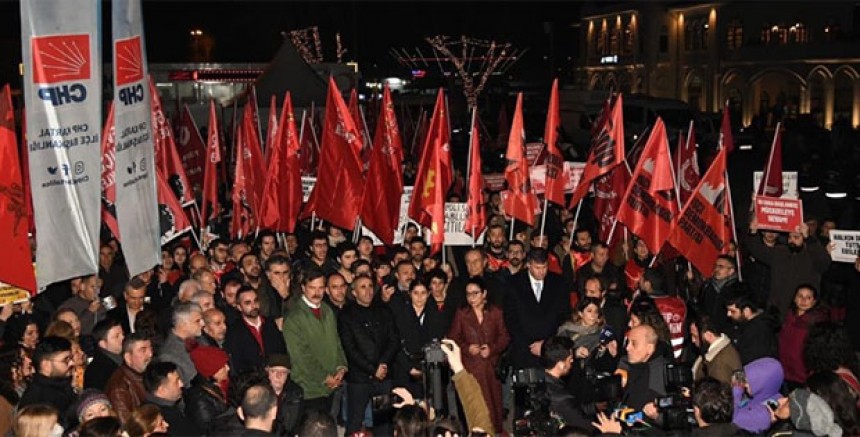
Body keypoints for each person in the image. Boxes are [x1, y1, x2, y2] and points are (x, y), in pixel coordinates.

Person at [338, 273, 399, 435]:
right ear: (354, 292)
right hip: (359, 379)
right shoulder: (346, 315)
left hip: (383, 377)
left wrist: (383, 365)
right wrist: (373, 370)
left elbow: (394, 340)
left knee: (384, 423)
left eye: (370, 286)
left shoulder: (384, 310)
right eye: (363, 287)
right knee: (355, 424)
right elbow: (350, 348)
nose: (368, 291)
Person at [447, 277, 510, 431]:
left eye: (475, 293)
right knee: (474, 406)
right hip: (471, 369)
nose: (472, 298)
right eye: (468, 294)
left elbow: (505, 337)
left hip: (491, 369)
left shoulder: (496, 312)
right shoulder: (462, 314)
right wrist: (467, 348)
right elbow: (452, 338)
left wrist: (492, 348)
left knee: (493, 409)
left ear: (484, 294)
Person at [282, 268, 347, 414]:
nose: (317, 292)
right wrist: (324, 377)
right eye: (312, 288)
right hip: (309, 389)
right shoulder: (294, 317)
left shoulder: (327, 310)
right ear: (303, 288)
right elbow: (300, 356)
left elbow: (337, 342)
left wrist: (341, 367)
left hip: (331, 386)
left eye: (321, 287)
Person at [745, 220, 831, 320]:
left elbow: (824, 262)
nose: (791, 241)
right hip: (777, 310)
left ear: (804, 239)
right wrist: (753, 232)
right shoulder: (780, 252)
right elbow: (758, 251)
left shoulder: (812, 255)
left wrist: (810, 239)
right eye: (790, 237)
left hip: (803, 311)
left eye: (796, 237)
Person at [505, 248, 570, 371]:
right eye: (537, 268)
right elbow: (511, 319)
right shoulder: (513, 283)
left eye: (544, 267)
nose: (542, 272)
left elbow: (564, 316)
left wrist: (546, 345)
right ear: (528, 264)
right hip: (524, 351)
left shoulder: (559, 282)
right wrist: (529, 345)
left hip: (552, 351)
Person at [392, 278, 447, 396]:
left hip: (430, 369)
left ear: (428, 294)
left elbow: (439, 342)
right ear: (410, 294)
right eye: (416, 293)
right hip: (405, 369)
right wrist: (410, 368)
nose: (419, 297)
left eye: (423, 293)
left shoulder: (437, 316)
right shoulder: (400, 316)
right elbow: (395, 345)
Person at [224, 286, 287, 374]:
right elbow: (237, 364)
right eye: (248, 303)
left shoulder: (270, 324)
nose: (254, 306)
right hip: (251, 380)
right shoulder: (234, 332)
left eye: (256, 301)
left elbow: (281, 350)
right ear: (239, 307)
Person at [18, 336, 77, 427]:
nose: (72, 363)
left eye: (71, 358)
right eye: (66, 360)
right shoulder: (39, 400)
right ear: (46, 365)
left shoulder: (60, 386)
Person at [540, 336, 595, 433]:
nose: (572, 361)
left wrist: (594, 407)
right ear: (561, 364)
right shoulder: (561, 397)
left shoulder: (538, 379)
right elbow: (583, 425)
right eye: (570, 359)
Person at [617, 325, 670, 412]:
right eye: (628, 342)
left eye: (634, 344)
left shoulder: (662, 373)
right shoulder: (627, 365)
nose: (627, 348)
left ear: (649, 348)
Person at [105, 333, 153, 423]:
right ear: (128, 357)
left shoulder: (148, 373)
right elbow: (128, 427)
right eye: (143, 350)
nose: (150, 354)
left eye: (151, 349)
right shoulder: (119, 390)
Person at [143, 361, 201, 435]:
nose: (181, 384)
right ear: (162, 390)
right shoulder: (163, 419)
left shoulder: (150, 408)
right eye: (176, 382)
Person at [186, 344, 233, 432]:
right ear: (211, 373)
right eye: (223, 367)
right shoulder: (199, 399)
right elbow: (208, 429)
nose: (228, 368)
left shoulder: (225, 384)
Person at [731, 357, 784, 433]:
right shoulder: (760, 394)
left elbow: (731, 418)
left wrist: (736, 388)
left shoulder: (769, 411)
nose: (744, 385)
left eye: (747, 381)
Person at [693, 255, 743, 334]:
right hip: (710, 332)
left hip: (730, 332)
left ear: (731, 271)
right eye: (715, 266)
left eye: (721, 267)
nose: (717, 269)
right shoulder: (707, 286)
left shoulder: (738, 289)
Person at [158, 302, 204, 386]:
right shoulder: (169, 355)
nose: (202, 324)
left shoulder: (200, 338)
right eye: (197, 321)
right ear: (183, 325)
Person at [726, 293, 778, 365]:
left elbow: (749, 359)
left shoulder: (758, 331)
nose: (728, 314)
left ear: (747, 311)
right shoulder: (746, 324)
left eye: (733, 311)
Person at [690, 315, 742, 385]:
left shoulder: (720, 363)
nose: (693, 340)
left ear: (708, 335)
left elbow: (719, 394)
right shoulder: (723, 349)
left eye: (695, 336)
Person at [265, 353, 303, 435]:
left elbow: (297, 425)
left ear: (288, 375)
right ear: (268, 373)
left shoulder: (296, 394)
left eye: (283, 372)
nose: (279, 376)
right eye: (274, 371)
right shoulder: (259, 395)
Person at [84, 319, 124, 390]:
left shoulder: (125, 357)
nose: (123, 338)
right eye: (117, 336)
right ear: (103, 344)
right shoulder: (96, 371)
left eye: (122, 334)